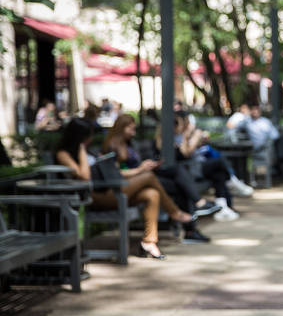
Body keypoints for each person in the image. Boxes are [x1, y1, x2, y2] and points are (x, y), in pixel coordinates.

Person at [55, 118, 198, 260]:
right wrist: (81, 150)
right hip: (94, 196)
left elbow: (108, 171)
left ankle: (149, 241)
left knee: (152, 194)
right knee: (148, 176)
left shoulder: (89, 151)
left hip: (108, 190)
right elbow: (85, 177)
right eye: (88, 136)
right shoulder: (64, 154)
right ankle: (174, 212)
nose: (90, 139)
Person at [102, 114, 218, 243]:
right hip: (128, 184)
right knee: (174, 182)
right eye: (131, 129)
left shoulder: (128, 144)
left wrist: (148, 165)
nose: (134, 133)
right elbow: (115, 172)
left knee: (178, 177)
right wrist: (141, 169)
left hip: (141, 178)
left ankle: (184, 228)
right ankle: (183, 217)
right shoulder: (112, 146)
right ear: (121, 128)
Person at [170, 111, 241, 221]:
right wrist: (189, 136)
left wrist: (199, 140)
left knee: (219, 174)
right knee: (219, 162)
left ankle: (224, 208)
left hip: (195, 167)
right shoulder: (175, 137)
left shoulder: (185, 135)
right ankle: (231, 181)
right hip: (189, 171)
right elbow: (186, 153)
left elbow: (193, 150)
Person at [237, 104, 283, 183]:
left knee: (281, 144)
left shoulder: (265, 121)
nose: (255, 112)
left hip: (273, 145)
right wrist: (245, 114)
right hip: (261, 148)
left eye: (257, 110)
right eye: (253, 110)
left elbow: (275, 135)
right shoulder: (247, 122)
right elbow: (234, 126)